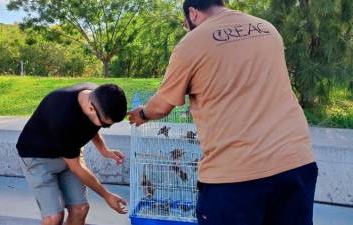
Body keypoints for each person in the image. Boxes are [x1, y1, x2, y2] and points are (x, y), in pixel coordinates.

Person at [128, 1, 318, 225]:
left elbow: (161, 106)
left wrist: (142, 114)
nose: (186, 27)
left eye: (184, 23)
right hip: (296, 163)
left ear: (193, 13)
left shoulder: (192, 43)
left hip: (235, 175)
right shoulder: (267, 29)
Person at [17, 83, 128, 225]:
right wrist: (106, 195)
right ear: (91, 108)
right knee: (54, 218)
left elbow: (93, 125)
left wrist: (104, 150)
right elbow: (77, 167)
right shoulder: (63, 117)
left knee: (80, 209)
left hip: (68, 154)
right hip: (38, 158)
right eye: (106, 124)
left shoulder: (97, 96)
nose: (106, 127)